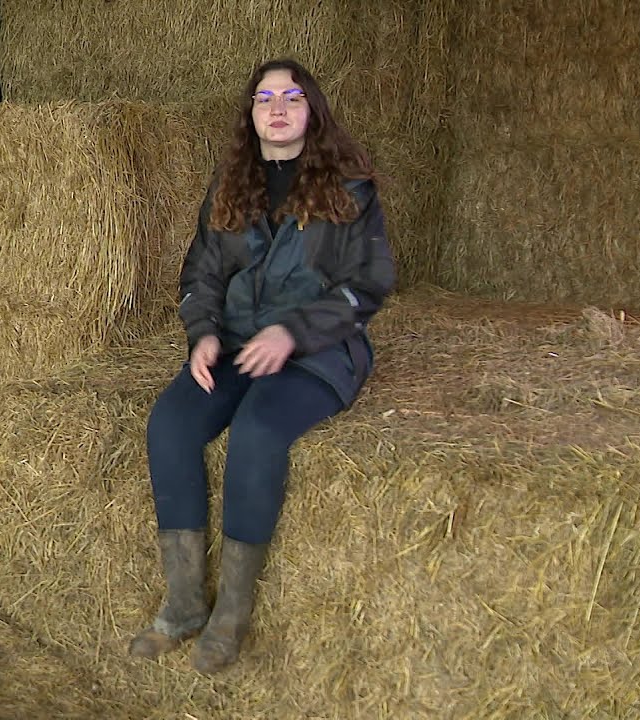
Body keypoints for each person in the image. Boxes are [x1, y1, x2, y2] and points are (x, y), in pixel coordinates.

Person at [129, 59, 396, 673]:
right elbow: (200, 274)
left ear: (312, 111)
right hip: (236, 345)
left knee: (257, 430)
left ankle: (232, 616)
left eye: (292, 96)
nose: (278, 107)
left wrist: (294, 331)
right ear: (250, 116)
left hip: (320, 352)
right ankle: (185, 603)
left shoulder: (349, 189)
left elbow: (370, 284)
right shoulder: (229, 187)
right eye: (265, 98)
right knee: (169, 424)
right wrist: (201, 335)